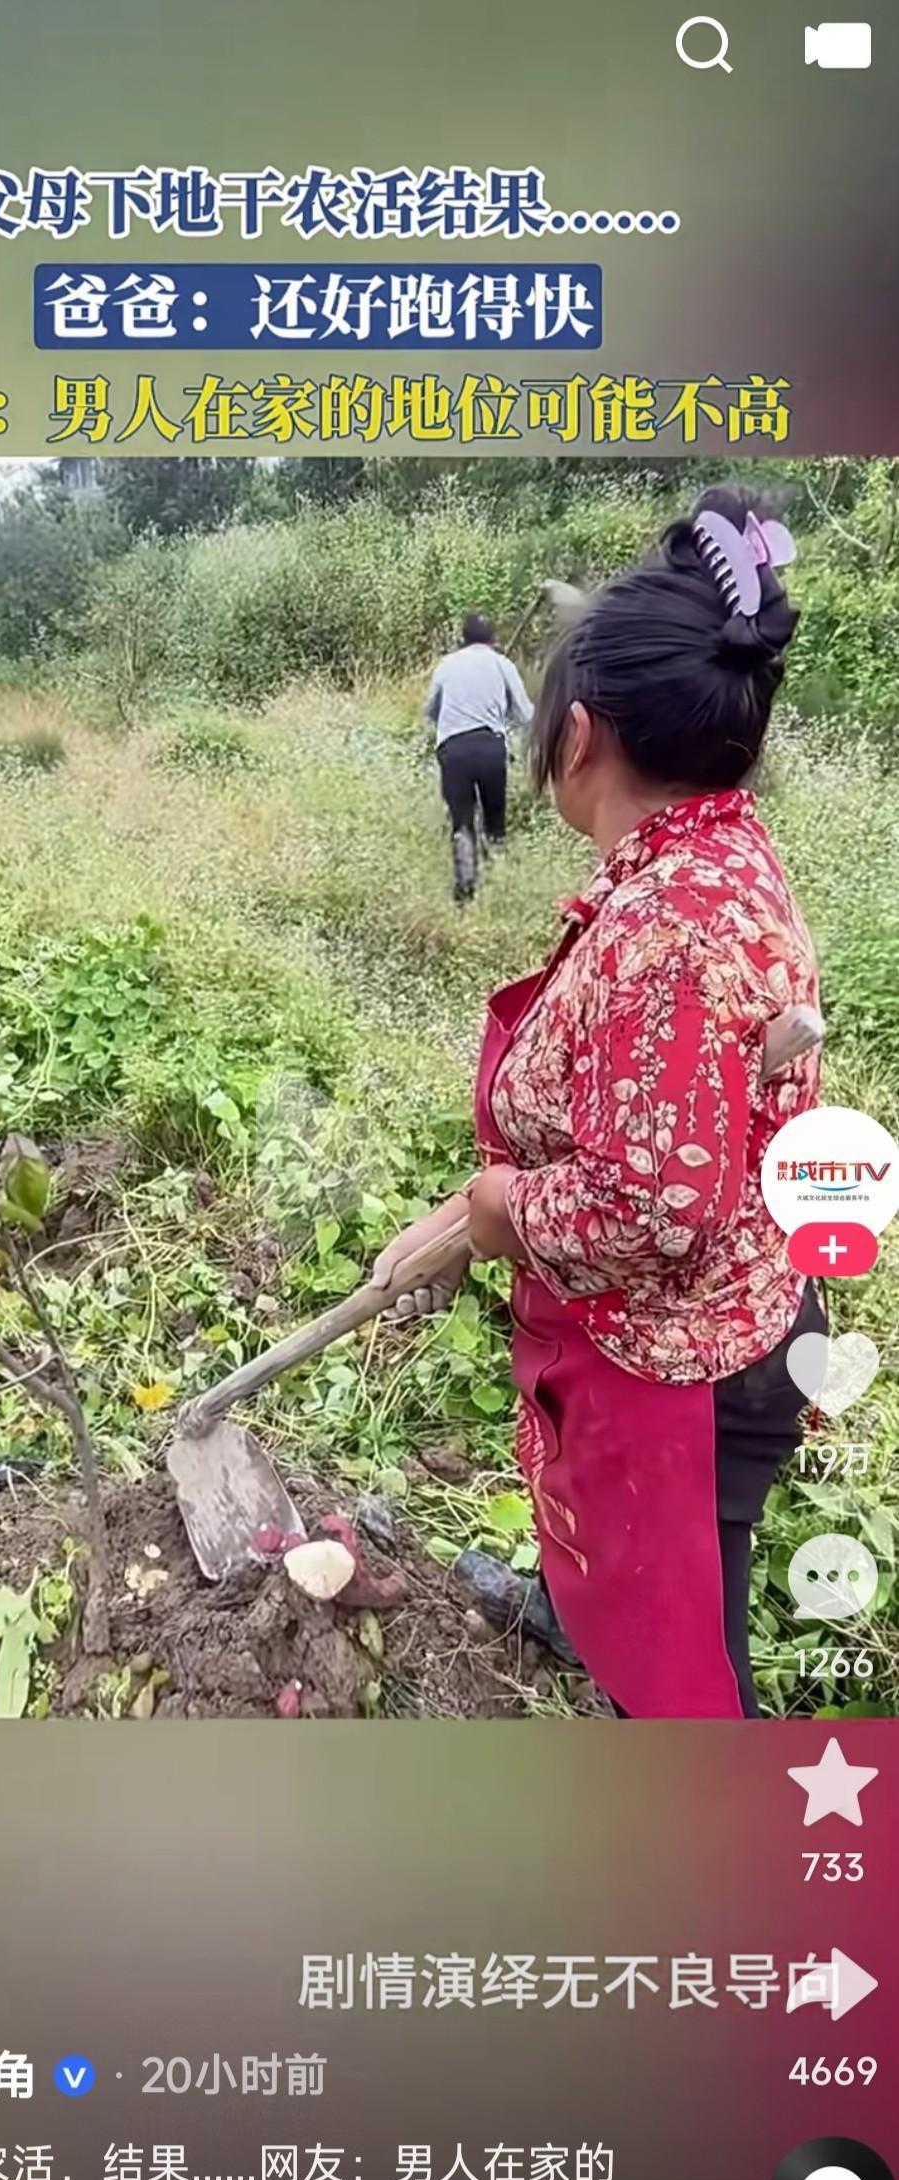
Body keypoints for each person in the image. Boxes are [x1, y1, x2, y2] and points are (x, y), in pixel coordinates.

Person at [377, 488, 823, 1720]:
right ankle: (587, 1622)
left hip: (686, 1364)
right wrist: (471, 1215)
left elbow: (654, 1203)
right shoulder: (723, 850)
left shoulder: (667, 929)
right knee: (659, 1599)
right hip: (744, 1306)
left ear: (575, 737)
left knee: (682, 1672)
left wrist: (504, 1199)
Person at [424, 611, 534, 901]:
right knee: (495, 821)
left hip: (454, 749)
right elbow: (525, 714)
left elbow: (430, 710)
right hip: (490, 748)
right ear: (493, 638)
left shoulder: (447, 665)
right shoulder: (502, 665)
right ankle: (498, 887)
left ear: (462, 639)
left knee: (462, 822)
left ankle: (465, 891)